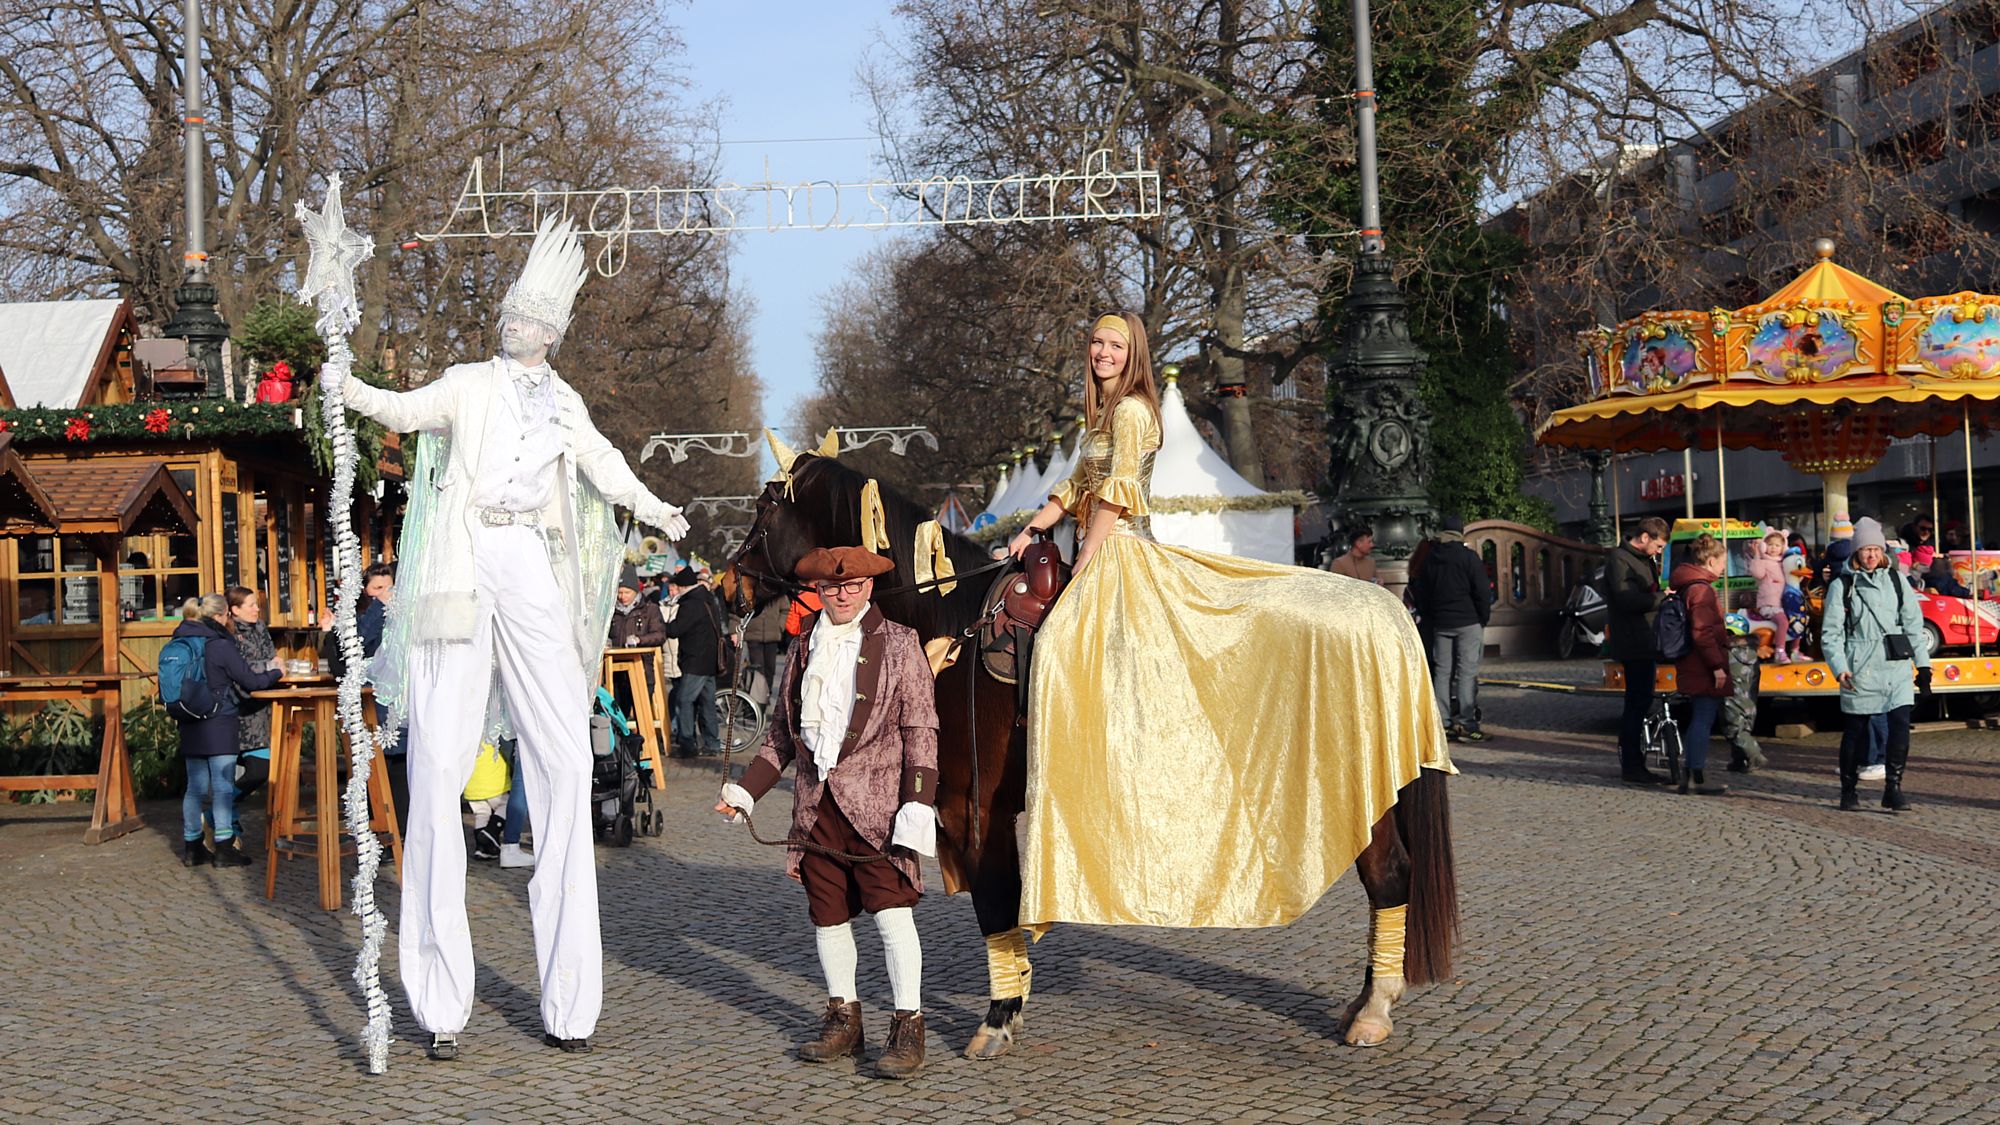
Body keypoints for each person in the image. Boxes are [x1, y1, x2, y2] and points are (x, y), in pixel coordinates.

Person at [321, 215, 689, 1060]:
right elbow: (404, 411)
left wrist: (655, 505)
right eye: (513, 313)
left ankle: (570, 1000)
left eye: (531, 317)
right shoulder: (466, 382)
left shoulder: (564, 401)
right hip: (463, 556)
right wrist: (349, 385)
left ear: (553, 332)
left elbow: (603, 463)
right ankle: (439, 998)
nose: (516, 324)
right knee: (442, 760)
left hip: (526, 555)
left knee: (561, 758)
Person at [1003, 311, 1450, 933]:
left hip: (1122, 550)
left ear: (1132, 356)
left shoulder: (1133, 411)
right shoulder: (1099, 417)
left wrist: (1084, 562)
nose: (1103, 352)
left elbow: (1114, 497)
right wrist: (1029, 529)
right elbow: (1077, 484)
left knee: (1057, 647)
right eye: (1097, 343)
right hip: (1106, 544)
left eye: (1115, 345)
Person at [715, 546, 939, 1079]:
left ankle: (908, 1024)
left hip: (879, 808)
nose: (842, 594)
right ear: (817, 590)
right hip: (817, 808)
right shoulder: (803, 644)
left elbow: (922, 733)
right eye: (831, 587)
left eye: (853, 585)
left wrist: (916, 804)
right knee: (828, 916)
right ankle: (845, 1018)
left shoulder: (902, 644)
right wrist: (745, 791)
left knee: (892, 915)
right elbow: (780, 737)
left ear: (868, 587)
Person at [1821, 517, 1932, 812]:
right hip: (1860, 665)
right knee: (1855, 731)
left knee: (1900, 730)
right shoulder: (1842, 585)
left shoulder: (1896, 580)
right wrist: (1839, 667)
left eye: (1875, 549)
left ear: (1882, 551)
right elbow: (1831, 633)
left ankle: (1893, 788)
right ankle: (1849, 790)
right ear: (1856, 552)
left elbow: (1913, 625)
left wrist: (1924, 668)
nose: (1871, 555)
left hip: (1895, 665)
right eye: (1865, 549)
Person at [172, 594, 283, 866]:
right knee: (222, 788)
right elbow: (249, 681)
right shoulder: (220, 645)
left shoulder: (180, 641)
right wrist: (276, 673)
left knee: (195, 788)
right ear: (222, 616)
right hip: (219, 721)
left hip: (189, 720)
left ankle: (191, 847)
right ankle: (223, 848)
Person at [1408, 517, 1493, 741]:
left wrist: (1432, 617)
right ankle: (1467, 723)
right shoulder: (1469, 558)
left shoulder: (1430, 559)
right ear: (1460, 533)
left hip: (1441, 624)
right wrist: (1483, 617)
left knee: (1442, 673)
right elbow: (1482, 590)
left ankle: (1443, 723)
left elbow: (1423, 593)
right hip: (1467, 621)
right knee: (1466, 673)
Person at [1603, 517, 1673, 785]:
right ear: (1644, 538)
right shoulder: (1620, 560)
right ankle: (1632, 764)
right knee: (1636, 703)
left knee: (1642, 700)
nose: (1659, 551)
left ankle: (1636, 762)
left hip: (1646, 639)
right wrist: (1661, 597)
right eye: (1658, 545)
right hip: (1634, 641)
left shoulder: (1643, 560)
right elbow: (1626, 599)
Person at [1668, 535, 1732, 795]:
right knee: (1703, 718)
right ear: (1711, 560)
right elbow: (1702, 631)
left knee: (1701, 717)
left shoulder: (1687, 584)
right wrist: (1717, 665)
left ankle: (1693, 776)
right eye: (1723, 562)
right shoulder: (1702, 589)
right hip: (1702, 664)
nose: (1724, 567)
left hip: (1692, 661)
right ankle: (1694, 777)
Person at [226, 587, 278, 838]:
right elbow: (241, 671)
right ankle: (223, 819)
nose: (257, 609)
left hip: (263, 712)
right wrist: (270, 667)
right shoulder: (230, 634)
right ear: (235, 610)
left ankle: (223, 821)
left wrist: (272, 667)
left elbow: (272, 658)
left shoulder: (260, 629)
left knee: (262, 770)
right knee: (258, 770)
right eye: (251, 605)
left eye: (256, 604)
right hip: (240, 713)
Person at [662, 567, 724, 756]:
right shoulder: (707, 598)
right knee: (707, 702)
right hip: (710, 660)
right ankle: (712, 743)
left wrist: (662, 623)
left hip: (696, 661)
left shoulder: (691, 604)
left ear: (681, 586)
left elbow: (675, 630)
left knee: (684, 700)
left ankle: (688, 744)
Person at [1747, 532, 1790, 662]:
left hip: (1782, 603)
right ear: (1764, 546)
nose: (1773, 548)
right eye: (1770, 545)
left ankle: (1795, 650)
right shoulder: (1763, 562)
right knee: (1783, 621)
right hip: (1769, 604)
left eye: (1777, 545)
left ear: (1783, 547)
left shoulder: (1784, 563)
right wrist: (1757, 556)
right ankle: (1780, 651)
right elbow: (1757, 573)